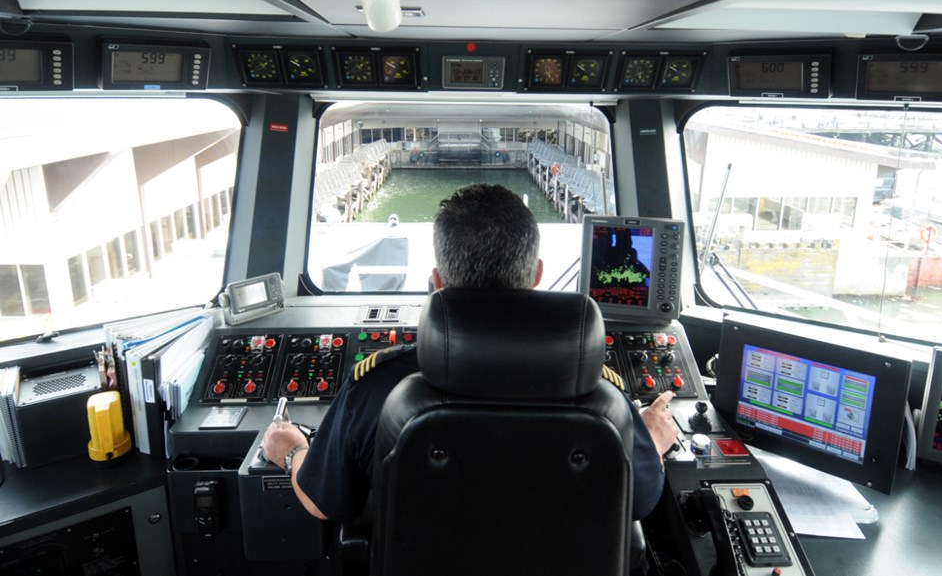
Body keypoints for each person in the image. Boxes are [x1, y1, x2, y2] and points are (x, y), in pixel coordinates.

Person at [262, 183, 679, 522]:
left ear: (436, 282)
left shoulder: (380, 387)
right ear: (536, 275)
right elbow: (641, 500)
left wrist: (293, 449)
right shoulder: (599, 391)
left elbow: (324, 504)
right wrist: (652, 439)